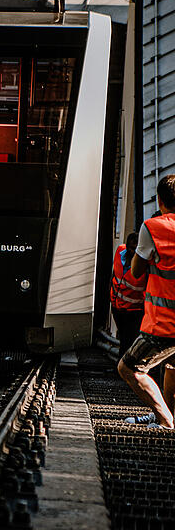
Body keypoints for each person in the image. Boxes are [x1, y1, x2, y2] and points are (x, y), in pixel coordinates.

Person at [118, 175, 175, 429]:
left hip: (164, 323)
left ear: (160, 200)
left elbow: (137, 270)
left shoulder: (153, 227)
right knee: (172, 366)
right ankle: (167, 417)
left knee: (130, 368)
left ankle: (165, 419)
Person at [111, 231, 146, 355]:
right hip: (117, 308)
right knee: (124, 339)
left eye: (138, 249)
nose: (135, 252)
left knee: (128, 342)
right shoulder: (119, 252)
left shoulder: (144, 265)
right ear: (126, 246)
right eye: (132, 248)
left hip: (134, 311)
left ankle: (122, 369)